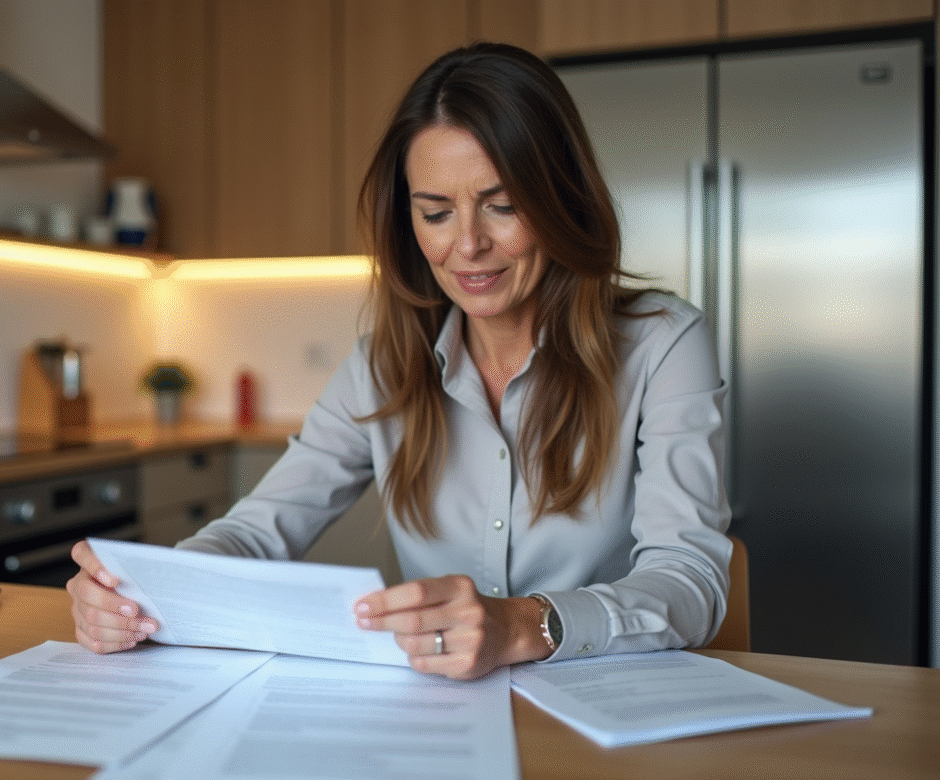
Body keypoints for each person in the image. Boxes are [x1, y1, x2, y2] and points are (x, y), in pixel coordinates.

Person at [68, 41, 732, 681]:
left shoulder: (662, 343)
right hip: (441, 720)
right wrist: (143, 596)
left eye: (502, 206)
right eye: (436, 212)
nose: (467, 244)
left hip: (612, 710)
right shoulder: (381, 367)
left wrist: (525, 625)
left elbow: (690, 579)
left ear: (561, 197)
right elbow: (255, 532)